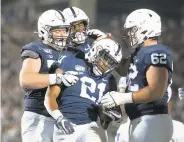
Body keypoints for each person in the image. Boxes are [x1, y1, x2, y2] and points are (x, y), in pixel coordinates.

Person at [101, 9, 173, 142]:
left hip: (152, 120)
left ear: (145, 29)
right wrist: (107, 46)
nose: (129, 35)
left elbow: (157, 90)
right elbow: (122, 70)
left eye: (132, 30)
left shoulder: (157, 52)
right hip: (141, 120)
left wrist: (123, 98)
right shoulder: (140, 52)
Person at [44, 38, 123, 142]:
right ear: (95, 50)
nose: (106, 64)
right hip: (65, 123)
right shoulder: (71, 61)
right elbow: (50, 96)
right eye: (105, 58)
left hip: (90, 126)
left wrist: (107, 117)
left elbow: (105, 123)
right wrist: (59, 118)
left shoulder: (110, 80)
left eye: (111, 63)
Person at [19, 9, 78, 142]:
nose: (62, 35)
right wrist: (58, 78)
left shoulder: (70, 53)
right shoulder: (37, 49)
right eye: (57, 31)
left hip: (64, 117)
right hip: (39, 115)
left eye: (64, 30)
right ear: (44, 31)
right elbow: (26, 79)